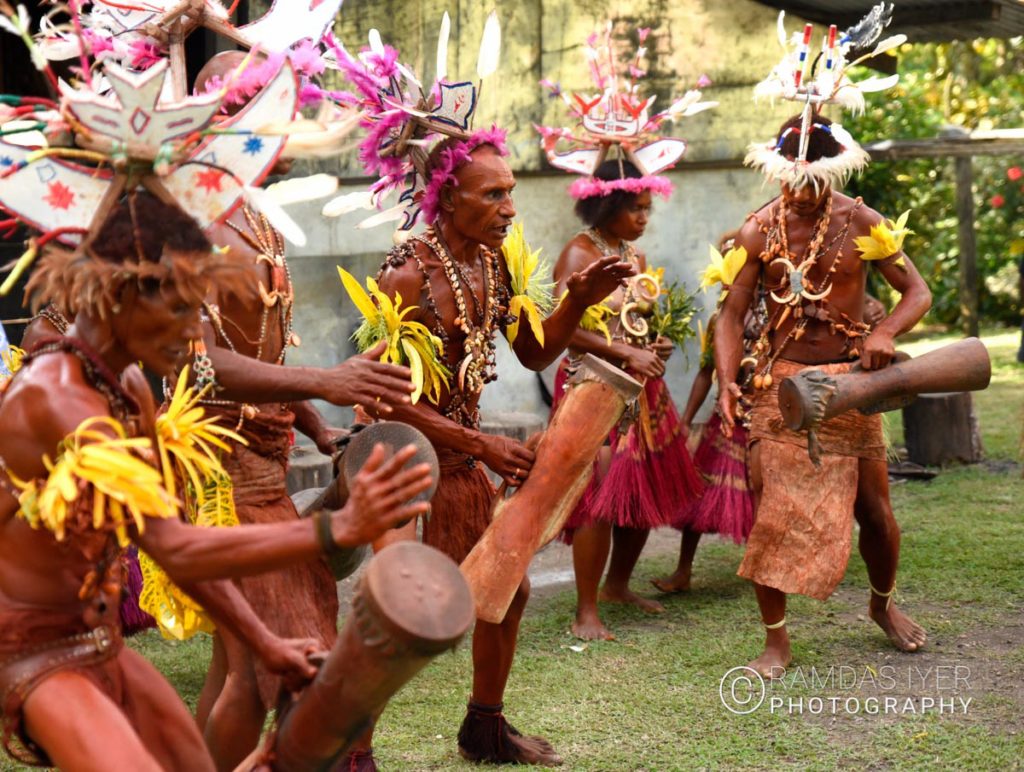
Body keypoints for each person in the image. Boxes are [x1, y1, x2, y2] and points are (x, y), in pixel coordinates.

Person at [0, 192, 433, 770]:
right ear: (120, 294)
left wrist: (265, 643)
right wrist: (335, 529)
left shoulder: (124, 385)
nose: (191, 339)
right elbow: (176, 545)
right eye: (181, 311)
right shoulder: (57, 399)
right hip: (34, 653)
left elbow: (177, 548)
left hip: (99, 642)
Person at [180, 50, 425, 772]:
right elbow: (198, 364)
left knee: (241, 674)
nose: (291, 141)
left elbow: (261, 345)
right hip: (217, 472)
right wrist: (327, 378)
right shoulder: (188, 217)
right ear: (228, 120)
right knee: (280, 664)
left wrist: (317, 421)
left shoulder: (255, 216)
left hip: (262, 463)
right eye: (274, 122)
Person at [716, 111, 932, 678]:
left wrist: (884, 332)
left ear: (833, 173)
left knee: (874, 511)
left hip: (851, 382)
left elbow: (916, 291)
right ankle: (775, 641)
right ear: (777, 173)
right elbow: (731, 314)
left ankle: (882, 605)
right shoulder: (758, 229)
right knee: (772, 511)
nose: (803, 194)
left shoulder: (862, 221)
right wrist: (724, 379)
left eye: (814, 183)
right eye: (793, 181)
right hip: (776, 381)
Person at [549, 160, 703, 641]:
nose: (643, 217)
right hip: (590, 384)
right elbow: (561, 332)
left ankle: (618, 586)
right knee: (595, 494)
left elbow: (634, 319)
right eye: (635, 208)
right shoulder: (577, 255)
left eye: (647, 208)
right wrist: (622, 351)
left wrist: (653, 343)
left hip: (638, 383)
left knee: (641, 485)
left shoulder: (630, 254)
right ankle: (586, 610)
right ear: (608, 205)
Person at [652, 235, 759, 595]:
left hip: (767, 420)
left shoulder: (779, 314)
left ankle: (766, 571)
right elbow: (705, 371)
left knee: (767, 497)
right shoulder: (721, 320)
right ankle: (683, 571)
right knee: (699, 496)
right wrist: (685, 419)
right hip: (727, 419)